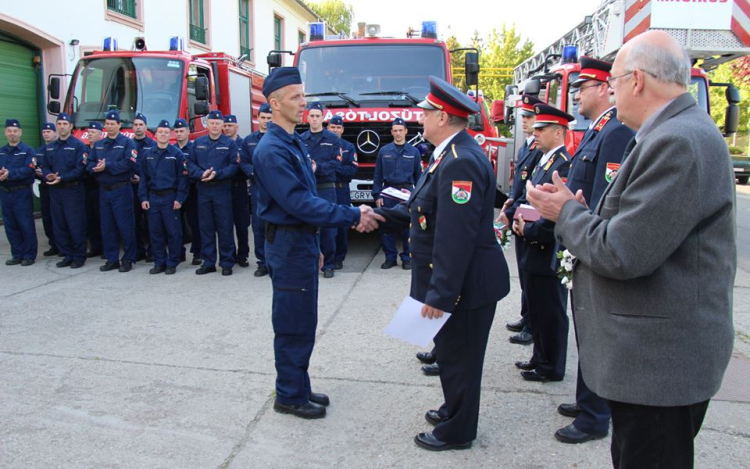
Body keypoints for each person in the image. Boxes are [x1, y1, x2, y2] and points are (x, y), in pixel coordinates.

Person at [526, 31, 735, 469]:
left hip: (659, 367)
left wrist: (567, 215)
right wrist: (584, 216)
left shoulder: (677, 141)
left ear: (637, 80)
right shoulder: (672, 133)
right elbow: (639, 230)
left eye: (615, 82)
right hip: (653, 364)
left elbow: (624, 253)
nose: (612, 93)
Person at [376, 76, 510, 451]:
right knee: (452, 357)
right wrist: (380, 214)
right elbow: (425, 213)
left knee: (461, 361)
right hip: (455, 283)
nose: (420, 119)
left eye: (427, 113)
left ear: (445, 117)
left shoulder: (460, 162)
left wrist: (439, 296)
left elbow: (455, 239)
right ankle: (454, 409)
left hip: (465, 285)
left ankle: (458, 431)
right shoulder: (448, 155)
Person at [253, 66, 382, 420]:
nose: (303, 102)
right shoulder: (271, 150)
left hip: (302, 242)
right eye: (295, 97)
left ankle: (299, 385)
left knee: (304, 320)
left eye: (303, 94)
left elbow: (307, 197)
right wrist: (353, 215)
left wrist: (318, 244)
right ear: (275, 104)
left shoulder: (291, 140)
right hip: (288, 244)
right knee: (293, 323)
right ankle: (289, 396)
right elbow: (298, 202)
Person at [553, 57, 634, 445]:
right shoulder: (597, 129)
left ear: (604, 88)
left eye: (582, 87)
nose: (576, 95)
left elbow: (605, 199)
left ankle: (594, 415)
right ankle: (589, 399)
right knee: (587, 328)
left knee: (596, 332)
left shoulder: (615, 131)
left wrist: (584, 237)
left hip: (592, 240)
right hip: (581, 238)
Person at [512, 103, 572, 383]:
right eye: (534, 128)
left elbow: (558, 213)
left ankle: (552, 366)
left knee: (552, 310)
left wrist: (532, 230)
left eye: (541, 129)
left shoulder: (563, 165)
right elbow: (532, 199)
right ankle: (540, 357)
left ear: (558, 132)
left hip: (549, 248)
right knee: (537, 306)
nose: (535, 133)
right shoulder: (544, 159)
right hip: (533, 247)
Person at [500, 94, 545, 346]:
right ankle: (526, 315)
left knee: (530, 272)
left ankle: (531, 324)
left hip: (527, 214)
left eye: (529, 117)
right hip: (518, 210)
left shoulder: (538, 148)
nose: (525, 122)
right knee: (524, 270)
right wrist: (510, 200)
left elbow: (533, 186)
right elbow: (519, 182)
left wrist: (511, 210)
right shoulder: (525, 146)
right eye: (523, 117)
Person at [186, 110, 240, 276]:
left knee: (224, 227)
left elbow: (234, 166)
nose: (215, 126)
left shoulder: (230, 144)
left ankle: (226, 262)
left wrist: (218, 174)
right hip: (203, 190)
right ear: (207, 125)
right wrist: (200, 174)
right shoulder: (198, 143)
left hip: (222, 189)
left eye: (218, 123)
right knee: (206, 227)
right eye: (212, 123)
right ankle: (208, 262)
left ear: (223, 125)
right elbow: (190, 163)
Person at [88, 109, 138, 272]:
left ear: (119, 125)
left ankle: (128, 259)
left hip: (121, 189)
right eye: (107, 124)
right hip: (104, 191)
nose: (109, 126)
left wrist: (107, 166)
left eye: (112, 124)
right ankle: (112, 259)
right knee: (107, 226)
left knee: (125, 226)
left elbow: (129, 164)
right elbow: (89, 163)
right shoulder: (100, 145)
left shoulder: (127, 143)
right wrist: (95, 168)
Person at [138, 120, 189, 275]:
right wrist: (144, 198)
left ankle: (172, 262)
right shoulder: (148, 154)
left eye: (166, 132)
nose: (163, 135)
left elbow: (183, 179)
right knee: (155, 232)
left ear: (170, 135)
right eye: (160, 132)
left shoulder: (176, 154)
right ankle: (159, 262)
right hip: (153, 198)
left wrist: (179, 199)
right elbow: (143, 179)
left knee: (173, 232)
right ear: (155, 134)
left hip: (170, 198)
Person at [372, 117, 422, 270]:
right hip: (388, 193)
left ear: (406, 131)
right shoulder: (384, 151)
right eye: (395, 131)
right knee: (386, 227)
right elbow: (377, 175)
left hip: (406, 193)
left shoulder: (413, 152)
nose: (398, 133)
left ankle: (407, 258)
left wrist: (417, 196)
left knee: (408, 228)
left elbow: (419, 177)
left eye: (401, 130)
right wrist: (377, 195)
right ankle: (390, 257)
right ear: (391, 132)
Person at [299, 102, 341, 278]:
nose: (315, 119)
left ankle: (329, 264)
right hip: (307, 189)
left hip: (325, 189)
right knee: (306, 227)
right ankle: (310, 262)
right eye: (312, 116)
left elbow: (337, 162)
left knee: (328, 228)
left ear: (323, 118)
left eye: (318, 116)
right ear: (307, 117)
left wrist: (319, 168)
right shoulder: (300, 139)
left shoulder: (332, 139)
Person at [42, 113, 89, 269]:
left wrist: (61, 177)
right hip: (55, 191)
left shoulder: (78, 146)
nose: (62, 126)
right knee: (59, 224)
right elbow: (45, 165)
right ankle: (67, 254)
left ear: (70, 126)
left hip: (72, 190)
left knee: (75, 224)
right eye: (59, 123)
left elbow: (80, 169)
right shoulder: (50, 147)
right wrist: (47, 175)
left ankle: (79, 256)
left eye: (65, 124)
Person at [240, 102, 272, 277]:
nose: (266, 121)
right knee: (258, 227)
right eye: (263, 118)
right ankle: (262, 262)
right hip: (257, 188)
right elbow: (243, 161)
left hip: (275, 189)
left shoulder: (279, 139)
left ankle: (276, 261)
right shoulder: (249, 140)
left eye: (269, 118)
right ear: (258, 118)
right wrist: (253, 171)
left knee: (275, 226)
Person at [0, 119, 38, 266]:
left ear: (20, 132)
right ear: (5, 132)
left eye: (15, 131)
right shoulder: (1, 151)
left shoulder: (28, 151)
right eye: (9, 131)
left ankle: (29, 255)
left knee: (25, 224)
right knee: (10, 226)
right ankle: (17, 254)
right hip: (5, 192)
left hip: (21, 193)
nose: (12, 134)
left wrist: (10, 174)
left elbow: (29, 169)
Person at [326, 115, 358, 270]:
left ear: (343, 130)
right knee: (325, 224)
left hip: (341, 189)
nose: (335, 130)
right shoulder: (323, 145)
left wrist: (331, 166)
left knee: (342, 225)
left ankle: (339, 258)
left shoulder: (348, 147)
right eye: (333, 127)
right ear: (328, 128)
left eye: (338, 127)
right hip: (326, 188)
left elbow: (352, 170)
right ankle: (326, 258)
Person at [224, 114, 250, 268]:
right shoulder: (221, 143)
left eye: (230, 126)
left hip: (239, 187)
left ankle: (243, 255)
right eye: (225, 126)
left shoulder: (243, 143)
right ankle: (230, 254)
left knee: (242, 224)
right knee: (226, 224)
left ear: (237, 127)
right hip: (224, 187)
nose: (227, 128)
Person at [174, 118, 201, 265]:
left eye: (181, 131)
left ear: (188, 132)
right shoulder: (172, 149)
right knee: (178, 224)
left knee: (194, 223)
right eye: (176, 131)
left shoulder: (194, 149)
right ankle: (179, 252)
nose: (179, 134)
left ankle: (197, 252)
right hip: (177, 190)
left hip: (192, 190)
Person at [132, 113, 154, 262]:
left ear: (146, 127)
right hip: (131, 188)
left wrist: (142, 180)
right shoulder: (128, 144)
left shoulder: (152, 145)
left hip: (147, 188)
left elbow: (154, 169)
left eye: (141, 125)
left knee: (150, 222)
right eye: (136, 125)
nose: (138, 128)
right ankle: (138, 250)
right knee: (134, 221)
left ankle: (152, 250)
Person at [36, 122, 58, 257]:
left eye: (49, 132)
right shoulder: (38, 151)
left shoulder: (58, 148)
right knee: (47, 217)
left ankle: (62, 244)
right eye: (44, 132)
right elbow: (32, 167)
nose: (46, 134)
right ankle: (53, 244)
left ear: (54, 133)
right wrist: (37, 173)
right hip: (44, 186)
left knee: (59, 218)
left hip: (58, 186)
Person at [84, 122, 103, 258]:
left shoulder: (102, 148)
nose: (90, 134)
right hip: (86, 188)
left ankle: (103, 246)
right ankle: (95, 246)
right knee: (89, 218)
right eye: (89, 131)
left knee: (102, 218)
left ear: (100, 134)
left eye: (93, 132)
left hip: (99, 187)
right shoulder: (83, 149)